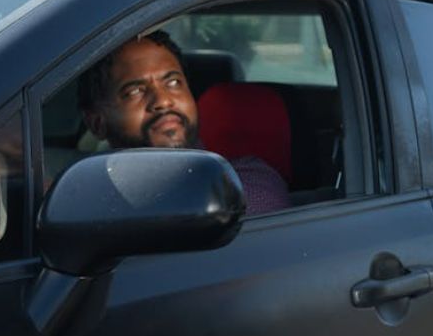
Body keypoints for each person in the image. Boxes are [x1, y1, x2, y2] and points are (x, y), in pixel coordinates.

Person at [78, 30, 290, 215]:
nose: (163, 101)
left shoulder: (250, 179)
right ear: (97, 123)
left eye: (173, 82)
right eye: (135, 91)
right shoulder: (84, 193)